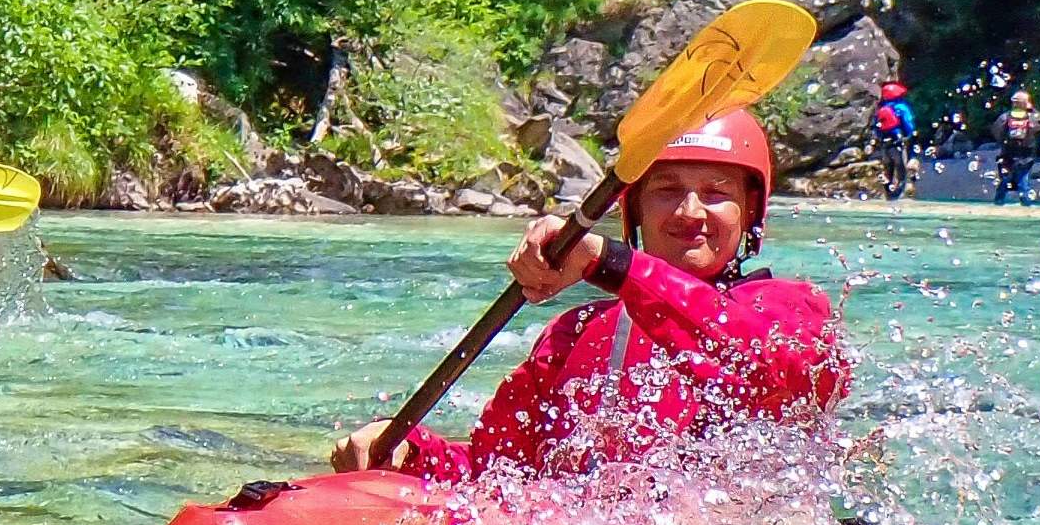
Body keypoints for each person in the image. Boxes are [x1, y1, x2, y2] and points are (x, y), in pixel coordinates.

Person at [329, 109, 850, 479]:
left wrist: (609, 262)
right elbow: (499, 473)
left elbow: (775, 365)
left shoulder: (790, 308)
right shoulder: (575, 333)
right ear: (636, 211)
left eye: (717, 194)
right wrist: (407, 449)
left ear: (748, 214)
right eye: (667, 190)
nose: (691, 212)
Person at [988, 91, 1040, 205]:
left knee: (1005, 180)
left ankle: (998, 202)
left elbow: (996, 130)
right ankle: (1026, 204)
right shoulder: (1032, 117)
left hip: (1007, 153)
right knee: (1023, 182)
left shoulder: (1005, 117)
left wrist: (1003, 142)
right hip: (1026, 155)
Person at [872, 82, 918, 199]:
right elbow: (909, 125)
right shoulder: (901, 107)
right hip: (898, 141)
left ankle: (888, 192)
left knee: (888, 167)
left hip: (885, 143)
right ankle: (901, 191)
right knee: (901, 166)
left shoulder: (881, 109)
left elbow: (877, 127)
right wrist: (910, 135)